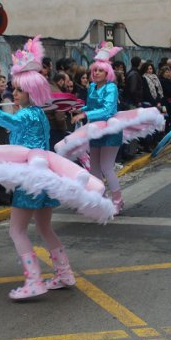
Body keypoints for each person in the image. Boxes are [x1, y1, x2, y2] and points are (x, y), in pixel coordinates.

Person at [0, 36, 76, 301]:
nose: (13, 94)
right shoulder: (39, 113)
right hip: (43, 175)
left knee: (16, 230)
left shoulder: (26, 114)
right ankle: (64, 273)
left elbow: (8, 120)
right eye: (13, 89)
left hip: (30, 179)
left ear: (31, 92)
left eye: (18, 90)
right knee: (45, 228)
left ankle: (34, 281)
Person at [72, 44, 124, 214]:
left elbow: (109, 110)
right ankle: (100, 199)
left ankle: (118, 201)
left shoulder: (111, 87)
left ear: (107, 72)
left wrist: (85, 115)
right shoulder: (93, 87)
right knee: (94, 167)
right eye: (94, 70)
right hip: (94, 130)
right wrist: (80, 110)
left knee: (106, 167)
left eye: (100, 71)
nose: (95, 73)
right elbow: (90, 106)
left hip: (110, 130)